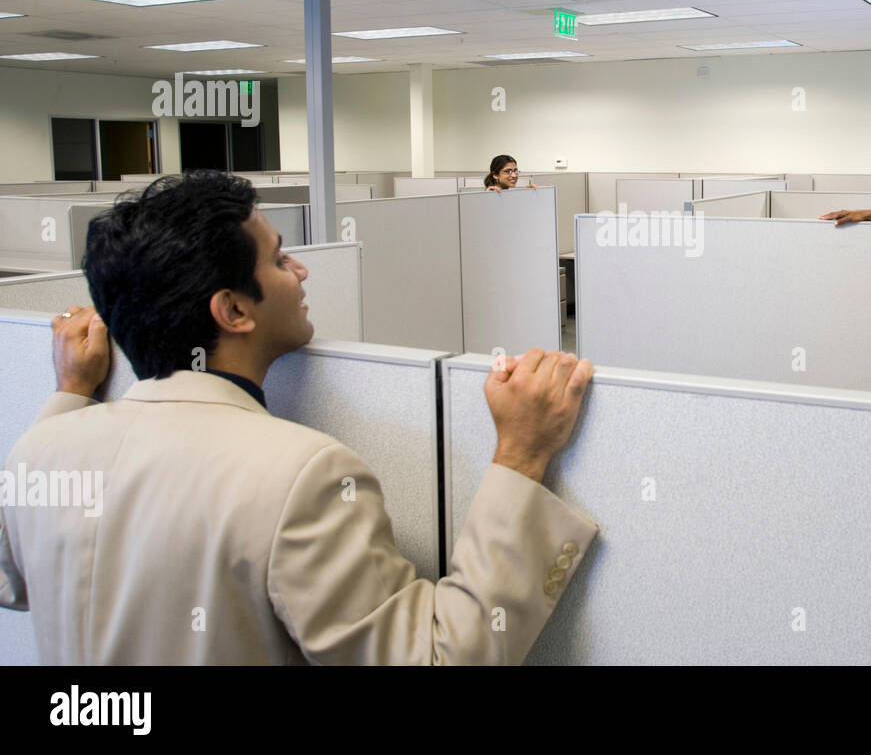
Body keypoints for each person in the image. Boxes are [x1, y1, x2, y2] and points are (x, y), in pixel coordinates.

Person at [0, 170, 596, 664]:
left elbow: (12, 581)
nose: (303, 271)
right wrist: (520, 453)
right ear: (233, 309)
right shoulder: (300, 475)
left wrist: (69, 395)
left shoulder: (44, 449)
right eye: (281, 259)